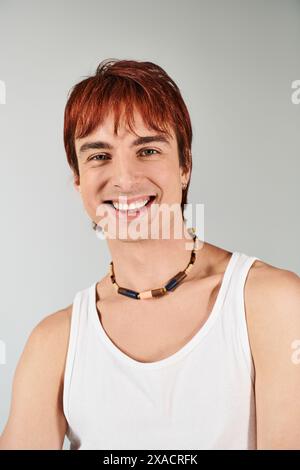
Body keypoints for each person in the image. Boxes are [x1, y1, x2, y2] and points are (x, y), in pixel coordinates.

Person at [0, 59, 299, 450]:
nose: (124, 178)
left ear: (185, 165)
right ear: (77, 179)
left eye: (148, 150)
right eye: (99, 156)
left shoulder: (271, 303)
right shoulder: (53, 344)